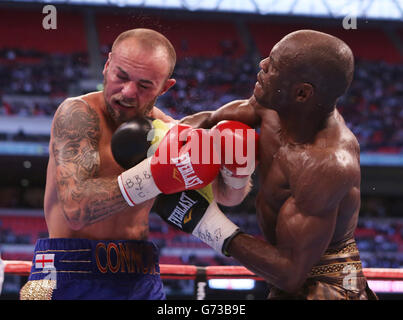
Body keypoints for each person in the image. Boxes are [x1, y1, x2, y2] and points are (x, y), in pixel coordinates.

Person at [19, 28, 243, 300]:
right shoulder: (77, 114)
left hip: (139, 272)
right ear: (107, 65)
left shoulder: (168, 132)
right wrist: (154, 176)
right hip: (67, 268)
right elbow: (75, 209)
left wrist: (237, 170)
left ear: (165, 87)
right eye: (121, 76)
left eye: (144, 85)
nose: (127, 92)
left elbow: (224, 198)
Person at [177, 29, 378, 300]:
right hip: (285, 277)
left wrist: (200, 219)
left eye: (274, 66)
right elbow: (218, 116)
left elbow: (289, 272)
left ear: (302, 93)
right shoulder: (275, 105)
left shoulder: (328, 163)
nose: (262, 64)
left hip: (329, 285)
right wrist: (171, 135)